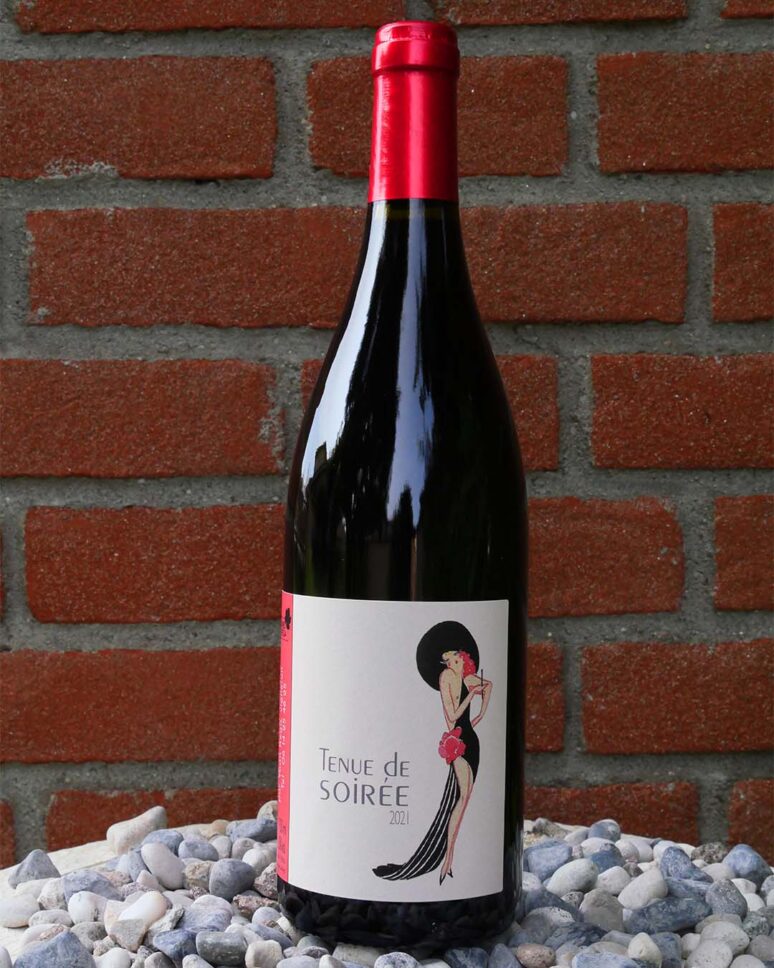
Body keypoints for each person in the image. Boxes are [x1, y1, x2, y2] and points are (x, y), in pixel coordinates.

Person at [373, 621, 493, 884]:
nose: (450, 662)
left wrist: (480, 714)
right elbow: (451, 718)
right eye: (446, 660)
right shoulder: (446, 678)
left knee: (464, 798)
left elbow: (489, 685)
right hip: (458, 741)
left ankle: (449, 858)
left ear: (461, 655)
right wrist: (471, 698)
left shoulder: (466, 677)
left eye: (452, 657)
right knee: (460, 799)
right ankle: (447, 857)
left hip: (471, 740)